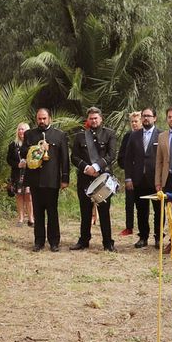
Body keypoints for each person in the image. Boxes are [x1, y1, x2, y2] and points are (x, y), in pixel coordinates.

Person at [20, 108, 69, 252]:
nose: (41, 121)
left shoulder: (59, 135)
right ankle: (39, 241)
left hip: (52, 179)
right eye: (39, 119)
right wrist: (36, 148)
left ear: (50, 119)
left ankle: (54, 242)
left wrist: (65, 178)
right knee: (38, 211)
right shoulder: (30, 134)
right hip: (35, 179)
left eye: (44, 118)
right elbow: (23, 152)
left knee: (52, 211)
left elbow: (64, 159)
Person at [71, 107, 117, 252]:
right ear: (88, 120)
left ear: (101, 119)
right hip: (85, 178)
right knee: (85, 212)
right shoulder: (80, 136)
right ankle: (83, 241)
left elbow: (111, 155)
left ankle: (108, 243)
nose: (94, 120)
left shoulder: (109, 134)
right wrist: (86, 168)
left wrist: (96, 166)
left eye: (96, 118)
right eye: (91, 118)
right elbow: (74, 157)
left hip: (103, 178)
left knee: (104, 212)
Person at [120, 107, 161, 247]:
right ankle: (143, 237)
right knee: (141, 210)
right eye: (144, 116)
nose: (145, 118)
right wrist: (128, 178)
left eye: (149, 116)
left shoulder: (161, 135)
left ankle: (158, 237)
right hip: (138, 179)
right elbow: (127, 159)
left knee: (158, 211)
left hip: (156, 180)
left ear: (155, 118)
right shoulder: (134, 135)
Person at [119, 111, 142, 237]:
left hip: (144, 175)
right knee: (129, 202)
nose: (134, 124)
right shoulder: (128, 136)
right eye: (132, 122)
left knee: (142, 204)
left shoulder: (146, 135)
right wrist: (128, 167)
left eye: (136, 121)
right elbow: (121, 156)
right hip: (130, 174)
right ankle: (129, 227)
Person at [8, 122, 33, 227]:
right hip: (17, 173)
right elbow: (9, 159)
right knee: (19, 195)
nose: (21, 131)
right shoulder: (13, 145)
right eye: (19, 129)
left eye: (23, 129)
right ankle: (21, 219)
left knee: (29, 195)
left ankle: (31, 219)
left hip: (30, 173)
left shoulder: (32, 144)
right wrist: (17, 165)